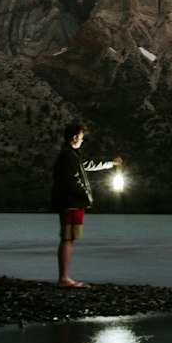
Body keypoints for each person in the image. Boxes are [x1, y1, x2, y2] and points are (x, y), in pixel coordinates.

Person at [50, 121, 121, 287]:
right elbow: (71, 180)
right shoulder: (68, 156)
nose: (82, 141)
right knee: (68, 238)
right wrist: (84, 194)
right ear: (75, 138)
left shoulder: (71, 155)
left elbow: (89, 164)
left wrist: (111, 163)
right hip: (71, 203)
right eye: (81, 138)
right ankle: (64, 278)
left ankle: (64, 277)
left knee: (69, 238)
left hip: (72, 202)